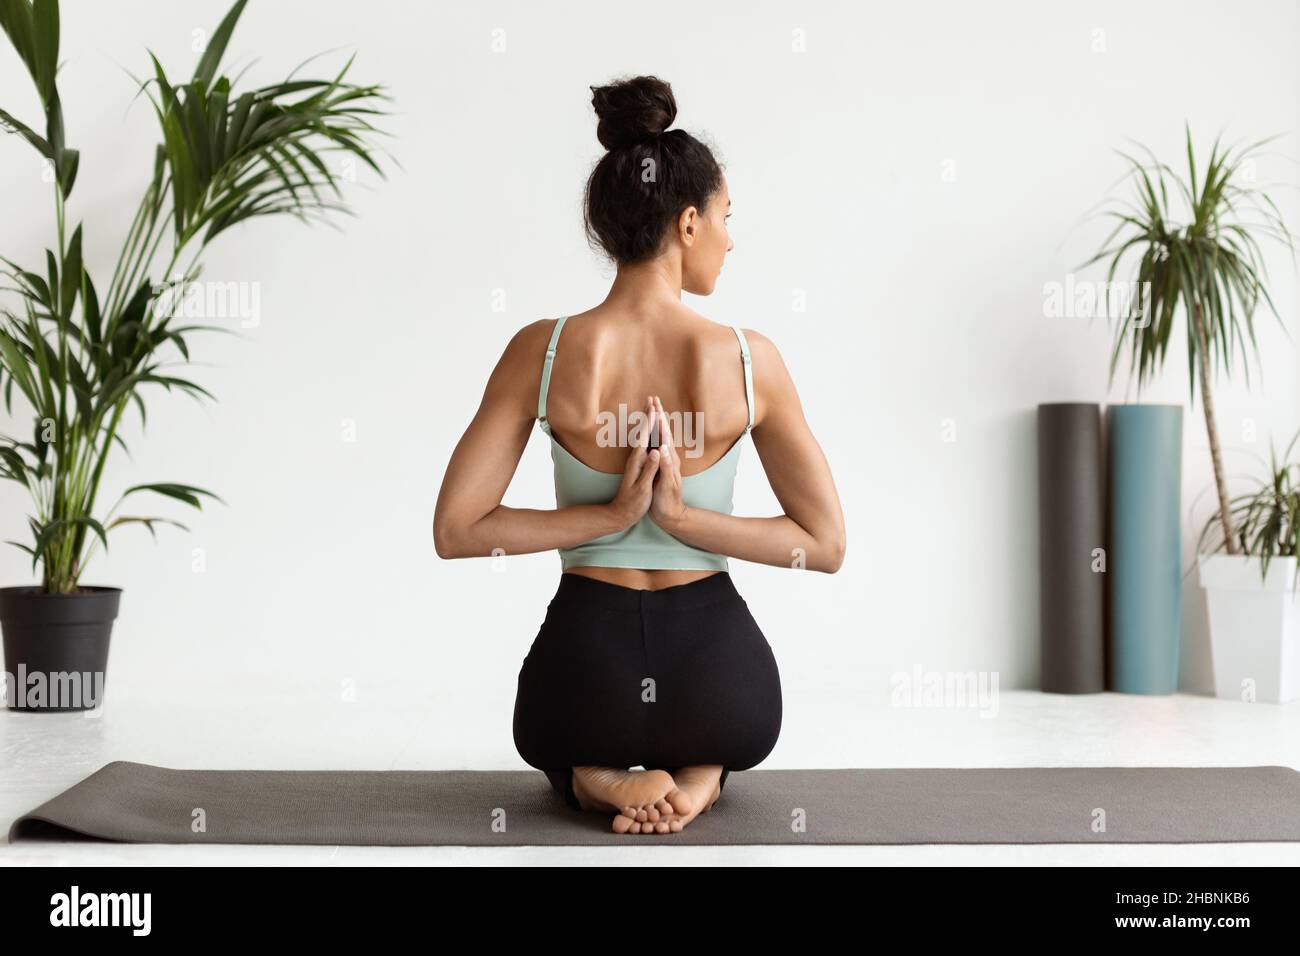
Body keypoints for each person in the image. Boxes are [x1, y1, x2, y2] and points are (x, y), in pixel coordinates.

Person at [434, 75, 845, 834]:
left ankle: (593, 779)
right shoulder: (752, 361)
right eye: (725, 217)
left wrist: (608, 515)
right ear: (688, 224)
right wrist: (682, 520)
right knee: (724, 736)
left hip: (585, 680)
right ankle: (702, 773)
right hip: (721, 686)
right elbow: (823, 546)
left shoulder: (543, 351)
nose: (730, 236)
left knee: (557, 740)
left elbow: (457, 531)